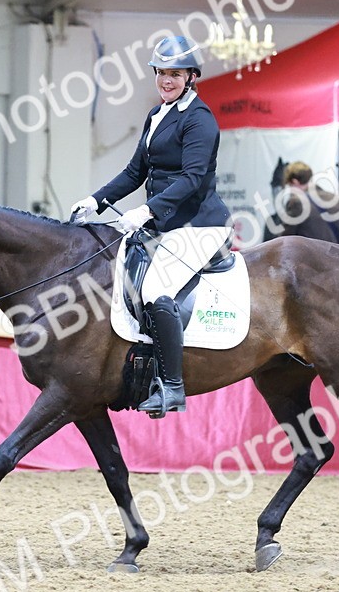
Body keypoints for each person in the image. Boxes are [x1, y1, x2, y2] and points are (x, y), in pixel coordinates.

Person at [70, 36, 232, 418]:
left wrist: (146, 211)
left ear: (191, 77)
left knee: (156, 291)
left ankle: (172, 387)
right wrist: (96, 200)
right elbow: (135, 172)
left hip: (197, 225)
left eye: (174, 74)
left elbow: (192, 178)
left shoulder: (200, 119)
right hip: (164, 224)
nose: (166, 80)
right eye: (161, 73)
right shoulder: (157, 114)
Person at [263, 160, 339, 243]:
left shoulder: (296, 202)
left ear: (295, 182)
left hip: (311, 255)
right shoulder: (334, 199)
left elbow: (284, 241)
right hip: (337, 255)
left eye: (290, 186)